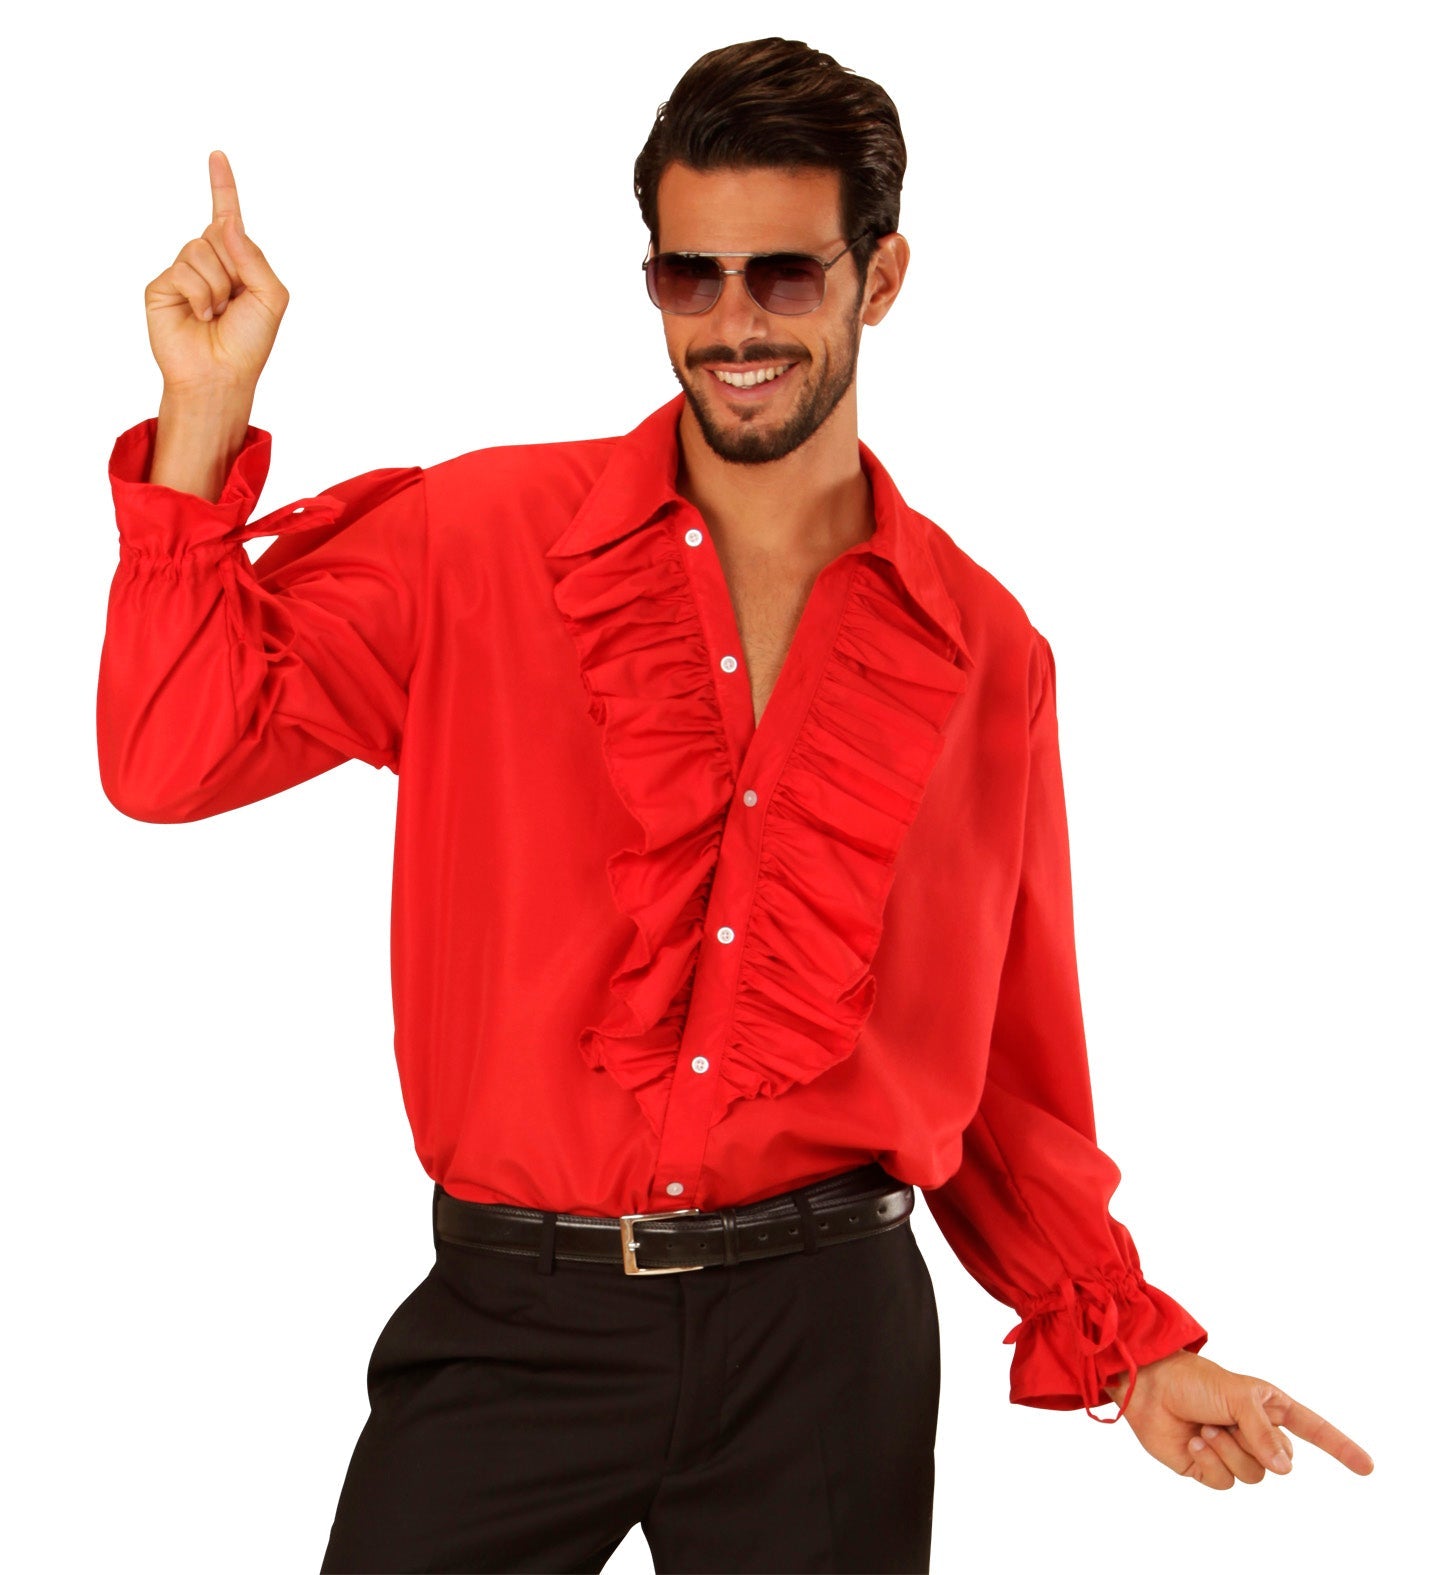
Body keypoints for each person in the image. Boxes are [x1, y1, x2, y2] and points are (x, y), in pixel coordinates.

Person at [97, 35, 1374, 1575]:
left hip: (824, 1332)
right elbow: (169, 758)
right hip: (515, 1322)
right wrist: (201, 421)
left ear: (877, 277)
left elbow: (1003, 1072)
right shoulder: (481, 537)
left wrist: (1122, 1339)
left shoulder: (980, 651)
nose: (731, 324)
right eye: (686, 278)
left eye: (782, 273)